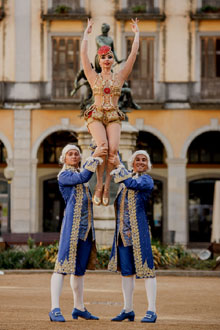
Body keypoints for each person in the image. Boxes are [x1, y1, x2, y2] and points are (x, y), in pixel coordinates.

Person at [80, 18, 139, 207]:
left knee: (113, 150)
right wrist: (86, 34)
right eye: (104, 57)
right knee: (103, 147)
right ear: (99, 60)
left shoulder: (120, 77)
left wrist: (136, 34)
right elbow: (82, 54)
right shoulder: (92, 76)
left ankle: (106, 187)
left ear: (113, 60)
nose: (107, 60)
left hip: (113, 115)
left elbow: (133, 55)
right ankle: (97, 185)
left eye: (110, 57)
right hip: (96, 115)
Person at [49, 143, 107, 322]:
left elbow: (87, 176)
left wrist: (94, 151)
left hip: (86, 229)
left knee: (79, 271)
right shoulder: (64, 175)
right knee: (61, 267)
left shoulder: (79, 173)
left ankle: (79, 307)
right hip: (71, 228)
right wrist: (94, 156)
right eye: (70, 154)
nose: (74, 156)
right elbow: (83, 177)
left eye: (76, 154)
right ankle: (54, 308)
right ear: (64, 159)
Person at [108, 150, 157, 323]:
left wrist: (118, 164)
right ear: (132, 162)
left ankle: (152, 310)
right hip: (122, 234)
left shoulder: (146, 180)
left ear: (148, 164)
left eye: (144, 159)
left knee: (147, 270)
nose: (141, 162)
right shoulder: (124, 179)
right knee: (126, 273)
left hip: (139, 232)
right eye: (138, 159)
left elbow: (131, 184)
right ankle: (128, 309)